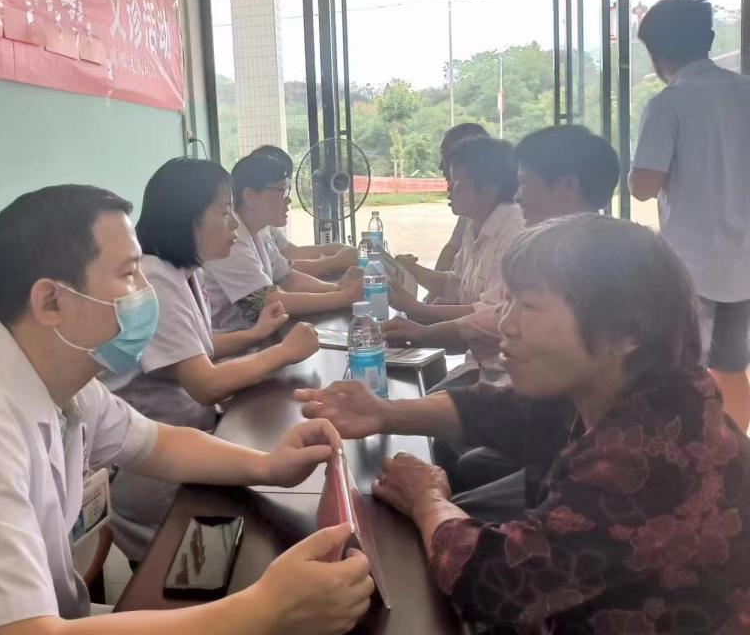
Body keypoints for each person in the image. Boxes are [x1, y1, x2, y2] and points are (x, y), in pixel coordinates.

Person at [0, 185, 374, 635]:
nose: (145, 292)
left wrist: (267, 466)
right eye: (128, 274)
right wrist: (262, 610)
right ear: (51, 301)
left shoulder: (54, 373)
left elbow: (155, 443)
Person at [299, 215, 750, 633]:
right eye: (508, 302)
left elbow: (493, 582)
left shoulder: (648, 456)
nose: (505, 324)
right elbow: (504, 412)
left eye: (528, 306)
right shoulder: (628, 388)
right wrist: (382, 412)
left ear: (624, 331)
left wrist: (427, 499)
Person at [104, 158, 321, 561]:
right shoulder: (155, 278)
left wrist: (255, 335)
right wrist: (282, 352)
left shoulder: (184, 270)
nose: (234, 223)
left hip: (186, 441)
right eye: (224, 211)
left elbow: (193, 346)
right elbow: (204, 384)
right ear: (188, 218)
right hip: (158, 469)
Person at [383, 125, 620, 381]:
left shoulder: (580, 259)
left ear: (567, 186)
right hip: (497, 379)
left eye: (525, 183)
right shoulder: (560, 245)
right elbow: (487, 307)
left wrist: (423, 319)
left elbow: (496, 318)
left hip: (511, 384)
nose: (517, 196)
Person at [630, 0, 750, 434]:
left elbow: (643, 187)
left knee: (682, 373)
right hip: (745, 264)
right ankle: (734, 454)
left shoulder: (668, 104)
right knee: (732, 368)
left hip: (689, 268)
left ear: (655, 53)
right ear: (710, 39)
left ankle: (690, 455)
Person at [204, 153, 363, 332]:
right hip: (233, 340)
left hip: (258, 334)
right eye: (282, 190)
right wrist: (344, 297)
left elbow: (288, 278)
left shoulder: (260, 231)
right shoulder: (231, 240)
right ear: (250, 196)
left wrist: (337, 289)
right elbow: (268, 302)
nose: (288, 199)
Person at [389, 136, 524, 323]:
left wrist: (421, 310)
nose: (449, 189)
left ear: (488, 189)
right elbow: (456, 286)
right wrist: (412, 270)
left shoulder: (515, 233)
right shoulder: (472, 222)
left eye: (457, 182)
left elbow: (493, 314)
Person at [248, 145, 358, 277]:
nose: (288, 199)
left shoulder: (264, 228)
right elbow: (286, 274)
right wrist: (337, 262)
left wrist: (338, 248)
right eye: (281, 189)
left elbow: (291, 254)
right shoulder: (242, 236)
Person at [432, 123, 490, 274]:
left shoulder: (508, 223)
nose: (440, 166)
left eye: (446, 157)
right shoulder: (471, 209)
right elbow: (452, 248)